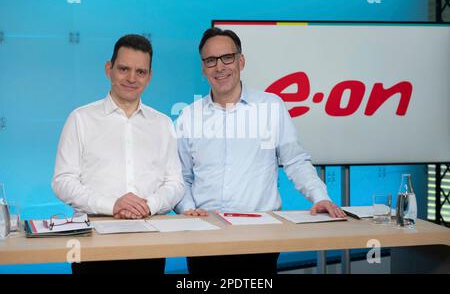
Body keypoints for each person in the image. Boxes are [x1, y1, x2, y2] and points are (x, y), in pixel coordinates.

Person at [174, 27, 346, 274]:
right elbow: (182, 176)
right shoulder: (189, 117)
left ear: (241, 61)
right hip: (204, 234)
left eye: (227, 58)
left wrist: (320, 196)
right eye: (210, 60)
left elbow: (295, 160)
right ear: (203, 68)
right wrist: (189, 210)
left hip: (260, 234)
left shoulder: (270, 107)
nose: (219, 67)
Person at [52, 34, 184, 274]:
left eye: (140, 72)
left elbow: (175, 183)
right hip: (92, 242)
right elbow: (63, 181)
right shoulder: (80, 119)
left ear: (149, 77)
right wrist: (112, 205)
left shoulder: (162, 124)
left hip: (150, 242)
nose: (132, 78)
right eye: (124, 69)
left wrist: (148, 205)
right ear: (108, 69)